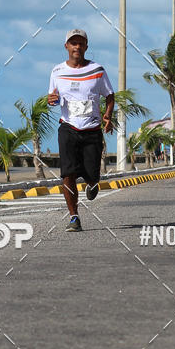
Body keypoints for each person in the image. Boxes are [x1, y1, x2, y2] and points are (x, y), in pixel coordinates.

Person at [47, 29, 114, 232]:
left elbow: (110, 95)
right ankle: (74, 217)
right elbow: (53, 97)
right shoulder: (57, 71)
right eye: (73, 43)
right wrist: (51, 100)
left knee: (92, 175)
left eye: (80, 43)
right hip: (68, 127)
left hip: (92, 129)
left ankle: (92, 183)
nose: (77, 46)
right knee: (67, 173)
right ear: (66, 46)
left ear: (86, 46)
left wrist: (107, 116)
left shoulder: (97, 70)